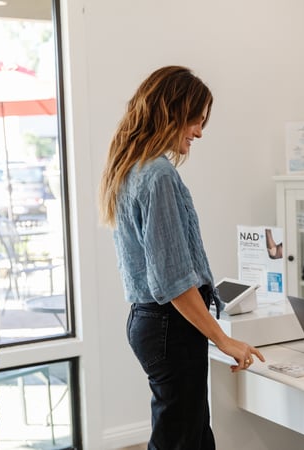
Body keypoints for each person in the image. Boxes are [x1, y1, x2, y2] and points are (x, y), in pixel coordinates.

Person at [98, 65, 265, 449]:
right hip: (169, 327)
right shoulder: (157, 175)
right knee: (182, 438)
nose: (199, 131)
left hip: (149, 322)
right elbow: (173, 281)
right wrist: (224, 339)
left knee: (188, 433)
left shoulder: (130, 168)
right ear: (171, 111)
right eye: (195, 119)